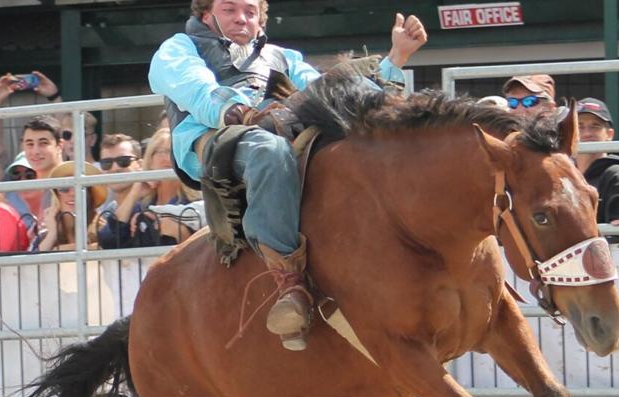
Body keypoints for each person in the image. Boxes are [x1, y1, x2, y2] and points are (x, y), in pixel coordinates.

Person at [149, 0, 426, 350]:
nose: (242, 19)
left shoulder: (284, 57)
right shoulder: (178, 48)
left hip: (277, 125)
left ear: (260, 17)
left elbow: (329, 92)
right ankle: (289, 282)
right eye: (229, 9)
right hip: (213, 136)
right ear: (206, 13)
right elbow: (197, 89)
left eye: (250, 11)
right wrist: (244, 112)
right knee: (269, 150)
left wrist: (396, 58)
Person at [98, 128, 201, 249]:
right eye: (161, 152)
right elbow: (108, 240)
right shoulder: (142, 205)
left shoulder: (194, 201)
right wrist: (134, 193)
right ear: (150, 160)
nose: (167, 158)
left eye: (173, 152)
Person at [575, 97, 619, 224]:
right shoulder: (565, 176)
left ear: (609, 135)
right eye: (580, 126)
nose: (587, 133)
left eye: (595, 126)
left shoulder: (617, 175)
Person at [0, 71, 61, 169]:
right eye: (29, 143)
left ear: (60, 146)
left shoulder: (62, 172)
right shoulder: (11, 178)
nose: (36, 151)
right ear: (22, 145)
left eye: (43, 143)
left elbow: (63, 132)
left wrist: (54, 97)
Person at [33, 160, 107, 252]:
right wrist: (52, 235)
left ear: (90, 195)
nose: (72, 193)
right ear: (56, 196)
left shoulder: (103, 229)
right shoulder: (45, 234)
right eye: (64, 188)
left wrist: (57, 250)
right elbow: (31, 264)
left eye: (80, 188)